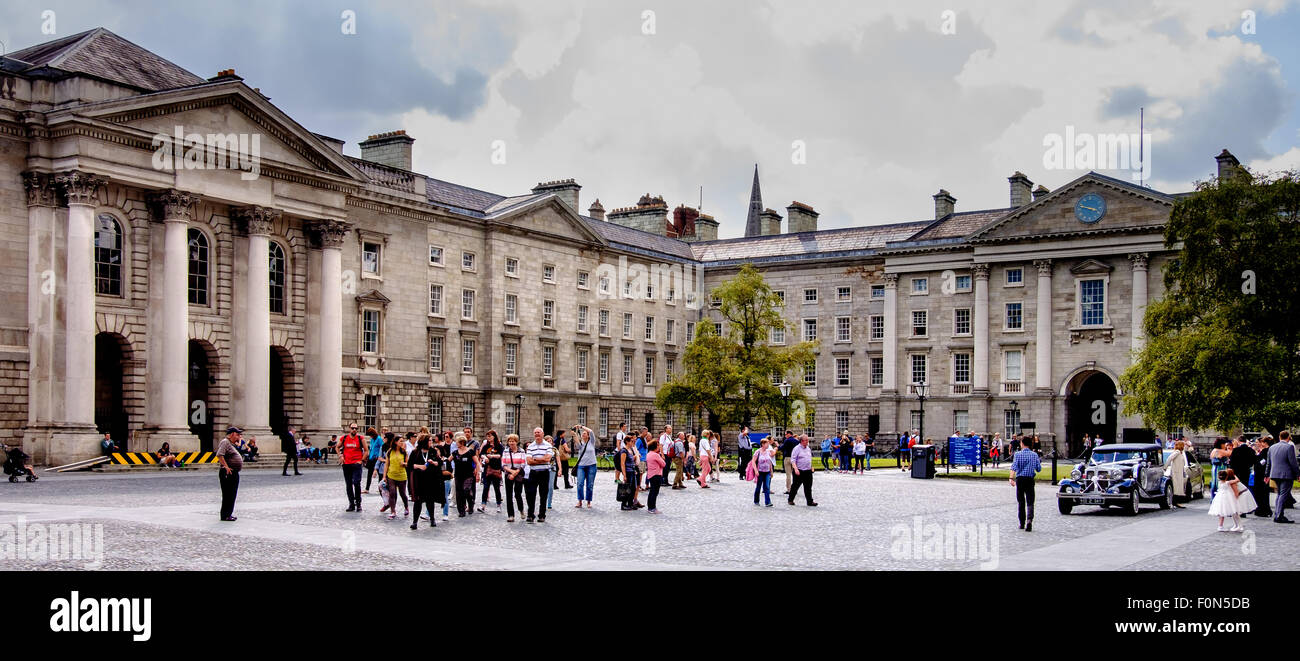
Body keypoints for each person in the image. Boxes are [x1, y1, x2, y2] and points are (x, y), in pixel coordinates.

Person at [407, 434, 441, 530]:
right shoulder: (415, 452)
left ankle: (432, 519)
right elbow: (409, 465)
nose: (431, 442)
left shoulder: (433, 451)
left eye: (431, 440)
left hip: (430, 480)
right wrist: (419, 466)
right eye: (429, 440)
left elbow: (440, 462)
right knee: (418, 502)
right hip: (419, 480)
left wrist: (434, 463)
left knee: (430, 501)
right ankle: (415, 522)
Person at [1266, 430, 1299, 523]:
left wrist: (1267, 474)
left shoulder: (1272, 447)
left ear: (1280, 437)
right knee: (1283, 495)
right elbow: (1293, 463)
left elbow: (1269, 463)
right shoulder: (1289, 447)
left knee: (1279, 494)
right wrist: (1298, 474)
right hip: (1286, 474)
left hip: (1275, 473)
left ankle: (1278, 513)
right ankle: (1279, 515)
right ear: (1288, 437)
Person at [1009, 436, 1041, 532]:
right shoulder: (1034, 455)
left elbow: (1014, 467)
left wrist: (1011, 478)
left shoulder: (1017, 454)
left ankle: (1022, 522)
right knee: (1030, 501)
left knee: (1021, 501)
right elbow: (1038, 469)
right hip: (1030, 479)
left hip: (1020, 479)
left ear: (1022, 443)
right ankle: (1029, 520)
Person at [524, 427, 553, 523]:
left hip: (544, 472)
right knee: (531, 494)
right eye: (535, 432)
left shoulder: (548, 445)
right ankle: (530, 515)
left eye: (538, 432)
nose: (537, 434)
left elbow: (548, 459)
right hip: (533, 473)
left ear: (543, 434)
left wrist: (535, 459)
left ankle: (542, 515)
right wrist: (541, 459)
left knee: (543, 494)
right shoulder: (531, 446)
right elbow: (528, 461)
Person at [215, 426, 243, 521]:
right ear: (232, 434)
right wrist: (226, 466)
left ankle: (228, 514)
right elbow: (219, 454)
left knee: (232, 494)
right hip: (228, 472)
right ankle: (225, 515)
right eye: (237, 434)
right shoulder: (225, 442)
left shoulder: (230, 443)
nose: (239, 436)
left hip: (233, 472)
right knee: (228, 494)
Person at [379, 433, 409, 520]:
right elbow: (386, 465)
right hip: (391, 475)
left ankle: (406, 507)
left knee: (402, 493)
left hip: (402, 476)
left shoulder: (404, 452)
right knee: (392, 493)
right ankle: (393, 511)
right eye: (400, 441)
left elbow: (408, 463)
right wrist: (384, 477)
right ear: (395, 442)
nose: (402, 443)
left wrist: (404, 463)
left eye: (402, 441)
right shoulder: (389, 451)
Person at [339, 425, 367, 512]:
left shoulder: (360, 438)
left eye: (356, 428)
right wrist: (340, 456)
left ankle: (358, 504)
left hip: (356, 464)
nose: (354, 430)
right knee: (348, 484)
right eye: (352, 428)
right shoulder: (344, 438)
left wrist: (362, 460)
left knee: (356, 483)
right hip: (346, 464)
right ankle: (351, 504)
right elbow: (337, 447)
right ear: (349, 429)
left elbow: (366, 450)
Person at [451, 432, 478, 517]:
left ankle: (470, 505)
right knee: (459, 493)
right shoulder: (455, 452)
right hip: (458, 475)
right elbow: (448, 460)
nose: (456, 443)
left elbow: (477, 463)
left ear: (462, 443)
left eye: (457, 442)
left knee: (467, 491)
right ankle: (461, 510)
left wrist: (477, 473)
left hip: (469, 475)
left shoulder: (470, 452)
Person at [502, 434, 528, 522]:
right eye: (510, 441)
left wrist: (515, 472)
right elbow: (503, 464)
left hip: (518, 474)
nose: (511, 443)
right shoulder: (505, 451)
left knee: (518, 494)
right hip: (508, 474)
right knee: (509, 495)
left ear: (516, 442)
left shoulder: (522, 451)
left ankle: (521, 510)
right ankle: (511, 515)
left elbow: (523, 464)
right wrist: (511, 472)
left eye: (513, 441)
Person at [572, 425, 598, 509]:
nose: (583, 434)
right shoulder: (581, 443)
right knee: (580, 484)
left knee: (590, 485)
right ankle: (579, 501)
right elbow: (578, 446)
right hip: (581, 466)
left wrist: (581, 427)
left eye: (585, 433)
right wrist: (575, 434)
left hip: (591, 466)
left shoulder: (592, 442)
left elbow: (591, 431)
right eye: (582, 434)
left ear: (588, 435)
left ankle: (589, 501)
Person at [478, 430, 503, 513]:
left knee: (496, 488)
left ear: (494, 436)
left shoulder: (499, 445)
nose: (488, 437)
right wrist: (484, 457)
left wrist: (492, 456)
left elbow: (500, 455)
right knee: (485, 487)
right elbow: (481, 454)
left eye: (490, 436)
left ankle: (499, 505)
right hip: (487, 469)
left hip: (496, 469)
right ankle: (483, 505)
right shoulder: (486, 445)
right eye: (487, 436)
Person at [787, 435, 817, 506]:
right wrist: (795, 469)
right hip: (799, 470)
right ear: (802, 441)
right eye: (806, 440)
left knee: (808, 487)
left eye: (808, 440)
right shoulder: (796, 449)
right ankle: (790, 499)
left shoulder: (808, 449)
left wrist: (811, 466)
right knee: (795, 486)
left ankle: (810, 501)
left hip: (807, 470)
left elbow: (809, 459)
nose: (808, 441)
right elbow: (793, 460)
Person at [1163, 440, 1190, 508]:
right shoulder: (1177, 452)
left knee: (1178, 487)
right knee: (1176, 487)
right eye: (1183, 445)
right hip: (1175, 473)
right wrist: (1165, 467)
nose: (1184, 446)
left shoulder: (1181, 453)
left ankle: (1175, 502)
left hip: (1179, 472)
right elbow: (1169, 458)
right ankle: (1174, 502)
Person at [1252, 437, 1273, 518]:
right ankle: (1264, 509)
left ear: (1264, 443)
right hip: (1262, 473)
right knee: (1263, 493)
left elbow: (1261, 462)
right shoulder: (1266, 451)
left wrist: (1256, 457)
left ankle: (1263, 509)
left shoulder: (1265, 451)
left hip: (1261, 474)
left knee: (1261, 492)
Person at [617, 434, 640, 511]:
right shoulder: (624, 451)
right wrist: (624, 475)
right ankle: (623, 504)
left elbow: (632, 461)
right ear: (627, 442)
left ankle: (630, 503)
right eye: (631, 441)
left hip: (632, 471)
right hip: (627, 471)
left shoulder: (631, 450)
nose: (632, 443)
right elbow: (622, 463)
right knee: (627, 489)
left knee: (633, 488)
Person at [753, 437, 776, 507]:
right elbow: (753, 461)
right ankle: (756, 500)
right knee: (758, 487)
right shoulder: (758, 452)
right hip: (760, 472)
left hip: (767, 472)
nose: (768, 445)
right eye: (767, 444)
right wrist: (756, 470)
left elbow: (770, 462)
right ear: (763, 444)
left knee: (767, 487)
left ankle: (768, 502)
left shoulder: (768, 452)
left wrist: (771, 471)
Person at [645, 440, 665, 513]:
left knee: (652, 491)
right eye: (657, 445)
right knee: (655, 492)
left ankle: (650, 507)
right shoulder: (656, 455)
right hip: (657, 474)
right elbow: (663, 464)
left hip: (651, 474)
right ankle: (652, 508)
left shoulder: (649, 454)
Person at [361, 425, 383, 493]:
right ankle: (367, 489)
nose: (370, 436)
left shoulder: (379, 439)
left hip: (376, 458)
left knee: (380, 474)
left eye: (370, 435)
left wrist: (379, 456)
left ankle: (380, 488)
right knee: (369, 474)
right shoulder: (372, 440)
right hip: (371, 458)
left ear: (373, 434)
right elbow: (371, 448)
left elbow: (382, 448)